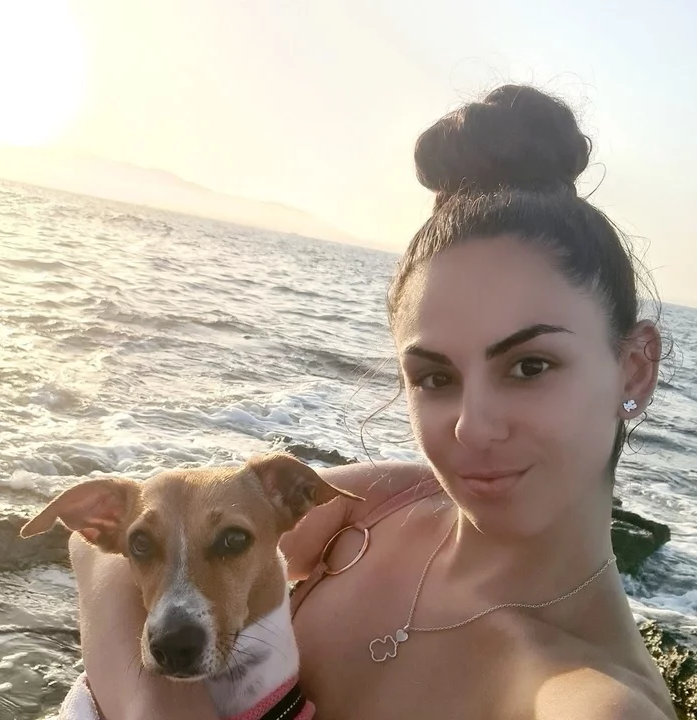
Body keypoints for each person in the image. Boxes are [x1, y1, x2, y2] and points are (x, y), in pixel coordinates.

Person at [69, 84, 677, 719]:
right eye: (435, 378)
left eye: (530, 366)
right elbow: (102, 546)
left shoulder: (592, 696)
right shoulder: (387, 505)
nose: (472, 428)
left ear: (634, 369)